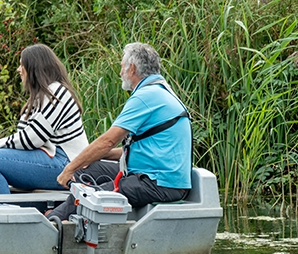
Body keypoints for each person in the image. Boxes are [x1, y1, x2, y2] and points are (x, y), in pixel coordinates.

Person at [48, 42, 192, 221]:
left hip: (159, 183)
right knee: (89, 169)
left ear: (132, 68)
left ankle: (48, 225)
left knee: (91, 195)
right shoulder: (160, 91)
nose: (120, 72)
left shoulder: (146, 96)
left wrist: (69, 168)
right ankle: (64, 216)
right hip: (155, 176)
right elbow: (139, 149)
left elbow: (108, 140)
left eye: (122, 66)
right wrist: (91, 158)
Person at [0, 44, 88, 194]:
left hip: (67, 163)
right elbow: (24, 137)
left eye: (22, 65)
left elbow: (32, 139)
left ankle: (3, 213)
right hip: (49, 155)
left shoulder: (57, 92)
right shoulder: (40, 97)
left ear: (34, 68)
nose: (19, 70)